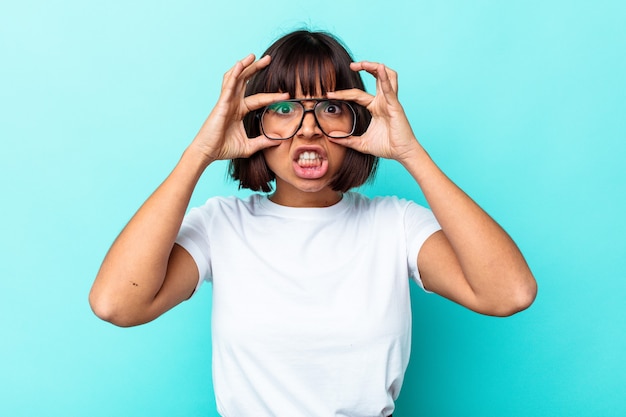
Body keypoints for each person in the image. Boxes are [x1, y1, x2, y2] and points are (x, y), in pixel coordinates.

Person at [89, 30, 537, 417]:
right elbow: (116, 304)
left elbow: (509, 293)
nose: (308, 129)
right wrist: (199, 153)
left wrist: (411, 153)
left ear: (356, 123)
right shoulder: (221, 226)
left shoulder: (394, 225)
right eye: (284, 108)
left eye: (330, 108)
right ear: (254, 125)